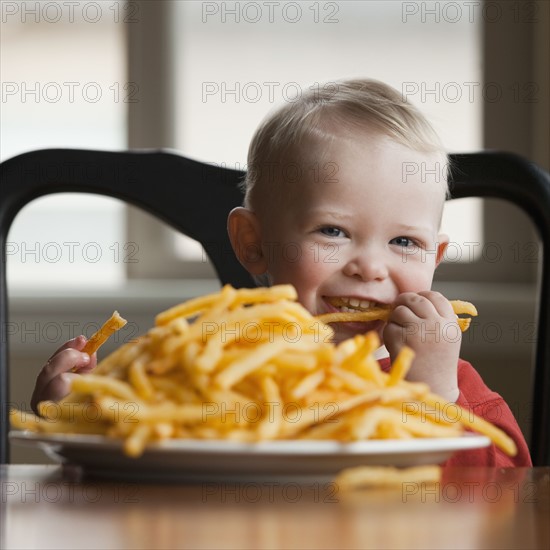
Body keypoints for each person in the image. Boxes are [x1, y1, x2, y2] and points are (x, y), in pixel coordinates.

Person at [32, 78, 531, 467]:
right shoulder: (203, 372)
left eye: (405, 242)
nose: (371, 267)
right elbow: (136, 476)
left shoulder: (454, 390)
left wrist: (435, 401)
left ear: (435, 258)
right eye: (333, 232)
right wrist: (79, 416)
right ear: (253, 244)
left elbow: (504, 504)